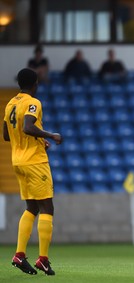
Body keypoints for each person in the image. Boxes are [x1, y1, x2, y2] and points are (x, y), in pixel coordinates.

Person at [3, 68, 62, 276]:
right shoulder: (33, 102)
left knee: (32, 207)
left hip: (18, 160)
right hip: (34, 161)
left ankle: (19, 255)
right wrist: (50, 134)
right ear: (35, 83)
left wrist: (37, 139)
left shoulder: (10, 103)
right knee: (47, 207)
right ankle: (43, 259)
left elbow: (6, 135)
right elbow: (28, 127)